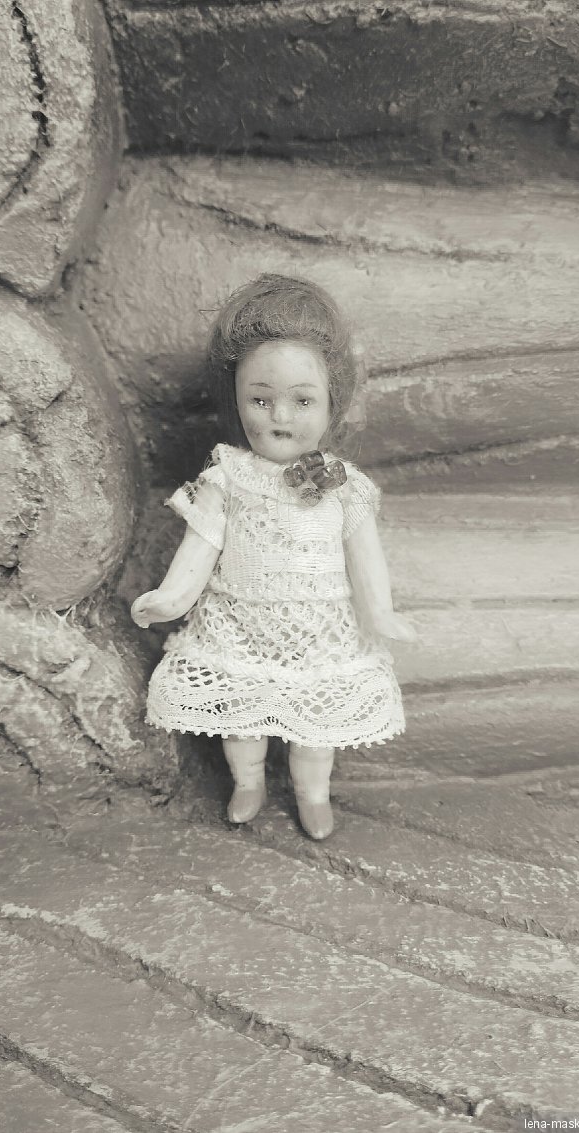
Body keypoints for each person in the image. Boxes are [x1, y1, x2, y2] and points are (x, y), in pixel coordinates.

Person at [131, 273, 415, 840]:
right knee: (242, 719)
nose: (280, 416)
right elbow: (202, 544)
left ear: (332, 403)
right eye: (260, 400)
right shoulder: (227, 477)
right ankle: (249, 782)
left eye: (302, 401)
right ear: (237, 402)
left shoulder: (344, 487)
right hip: (239, 626)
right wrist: (173, 597)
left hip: (320, 631)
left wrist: (380, 612)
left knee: (315, 729)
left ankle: (313, 794)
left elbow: (366, 558)